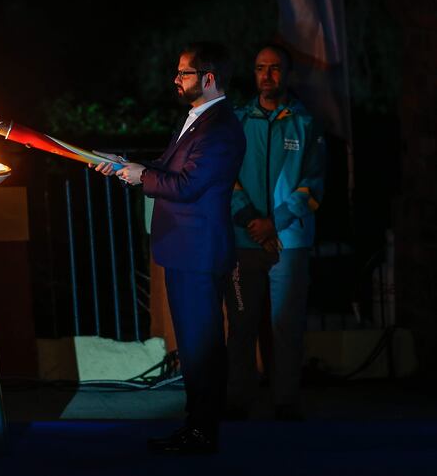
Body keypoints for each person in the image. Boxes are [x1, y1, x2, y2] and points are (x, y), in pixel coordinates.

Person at [93, 42, 245, 454]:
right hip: (185, 250)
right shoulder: (198, 121)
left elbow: (187, 186)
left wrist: (142, 176)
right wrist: (122, 163)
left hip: (198, 253)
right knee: (195, 346)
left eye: (184, 73)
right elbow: (166, 168)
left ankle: (202, 431)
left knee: (201, 347)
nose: (176, 80)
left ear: (208, 78)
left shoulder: (219, 127)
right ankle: (196, 427)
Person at [225, 43, 325, 421]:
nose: (267, 75)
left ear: (288, 73)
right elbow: (226, 177)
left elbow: (313, 182)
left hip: (290, 241)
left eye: (275, 68)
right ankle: (239, 399)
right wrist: (251, 219)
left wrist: (274, 223)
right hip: (243, 239)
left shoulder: (306, 123)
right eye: (260, 67)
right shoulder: (236, 122)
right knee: (241, 324)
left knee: (286, 325)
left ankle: (284, 400)